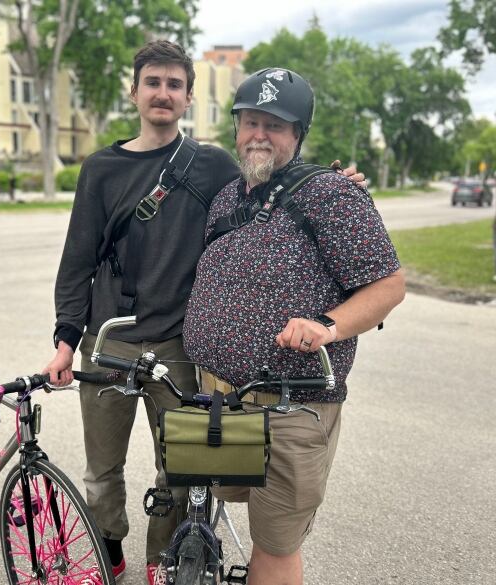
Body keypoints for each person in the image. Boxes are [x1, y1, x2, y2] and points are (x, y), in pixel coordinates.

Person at [43, 42, 366, 584]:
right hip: (110, 340)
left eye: (174, 84)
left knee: (182, 468)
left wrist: (336, 184)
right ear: (135, 91)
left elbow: (269, 185)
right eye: (152, 82)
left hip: (178, 347)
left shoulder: (213, 164)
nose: (162, 93)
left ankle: (161, 562)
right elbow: (77, 258)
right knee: (101, 469)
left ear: (188, 97)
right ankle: (109, 546)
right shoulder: (100, 168)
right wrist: (64, 338)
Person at [182, 68, 406, 585]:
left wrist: (327, 326)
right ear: (236, 128)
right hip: (216, 396)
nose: (259, 134)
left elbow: (388, 285)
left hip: (289, 404)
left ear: (298, 134)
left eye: (275, 125)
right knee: (209, 505)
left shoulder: (333, 195)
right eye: (250, 122)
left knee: (276, 542)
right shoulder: (227, 196)